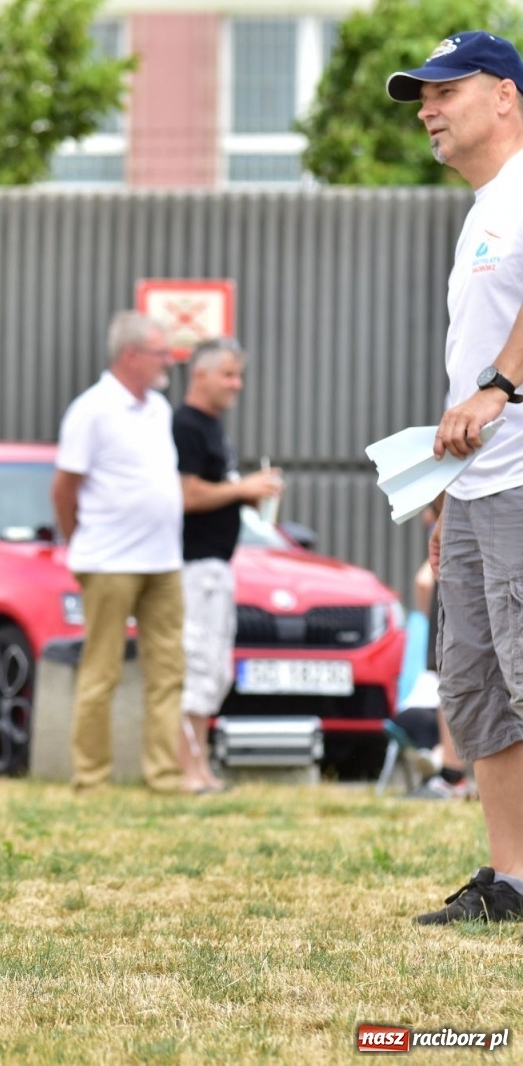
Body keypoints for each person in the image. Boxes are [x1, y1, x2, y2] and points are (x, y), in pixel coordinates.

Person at [386, 31, 523, 923]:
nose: (429, 108)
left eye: (446, 89)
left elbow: (492, 371)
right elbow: (464, 374)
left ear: (506, 95)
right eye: (422, 96)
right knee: (477, 693)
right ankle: (513, 881)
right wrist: (445, 496)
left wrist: (504, 383)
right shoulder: (484, 208)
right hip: (477, 492)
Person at [50, 311, 185, 794]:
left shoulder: (160, 408)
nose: (168, 361)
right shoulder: (91, 409)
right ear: (131, 356)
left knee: (169, 671)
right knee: (101, 670)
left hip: (163, 560)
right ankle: (91, 777)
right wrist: (79, 541)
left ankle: (164, 775)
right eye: (160, 353)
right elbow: (64, 489)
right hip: (108, 562)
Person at [172, 339, 283, 793]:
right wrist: (241, 490)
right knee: (196, 666)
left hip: (217, 565)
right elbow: (186, 493)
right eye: (228, 375)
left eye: (239, 375)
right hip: (192, 566)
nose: (237, 384)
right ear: (200, 375)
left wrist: (249, 493)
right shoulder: (185, 426)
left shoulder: (214, 427)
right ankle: (187, 770)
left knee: (215, 669)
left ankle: (201, 767)